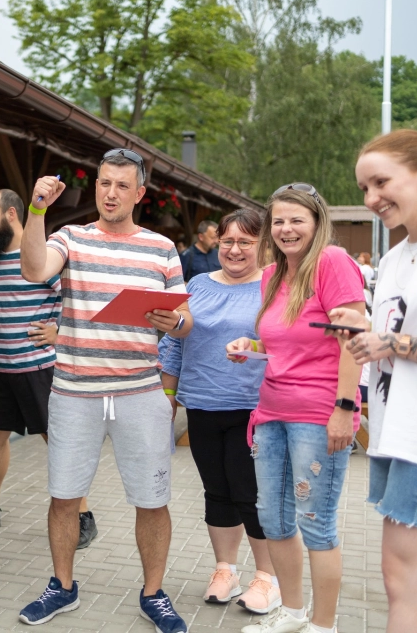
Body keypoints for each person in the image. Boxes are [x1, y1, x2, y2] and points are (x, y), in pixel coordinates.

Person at [17, 150, 192, 632]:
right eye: (103, 183)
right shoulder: (69, 237)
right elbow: (34, 270)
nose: (110, 193)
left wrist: (173, 320)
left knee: (153, 499)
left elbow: (185, 321)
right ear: (95, 186)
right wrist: (36, 211)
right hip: (75, 391)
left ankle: (153, 594)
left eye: (121, 186)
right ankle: (62, 586)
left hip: (140, 391)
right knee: (64, 496)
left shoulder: (161, 248)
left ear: (139, 194)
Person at [328, 130, 417, 633]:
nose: (371, 199)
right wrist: (366, 333)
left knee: (400, 580)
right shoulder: (395, 256)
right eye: (364, 187)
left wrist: (392, 344)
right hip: (396, 432)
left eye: (381, 182)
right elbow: (393, 337)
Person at [226, 183, 365, 633]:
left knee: (315, 523)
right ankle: (291, 613)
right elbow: (284, 339)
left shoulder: (333, 263)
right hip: (271, 413)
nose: (286, 229)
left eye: (296, 220)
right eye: (279, 221)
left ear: (316, 222)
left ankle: (323, 627)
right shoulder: (272, 275)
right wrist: (250, 344)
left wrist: (344, 409)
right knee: (273, 518)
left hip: (319, 415)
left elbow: (352, 342)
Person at [158, 208, 281, 614]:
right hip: (202, 405)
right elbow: (175, 344)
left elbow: (289, 346)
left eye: (245, 242)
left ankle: (267, 578)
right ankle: (224, 570)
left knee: (251, 494)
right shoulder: (197, 284)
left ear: (263, 246)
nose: (234, 249)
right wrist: (168, 398)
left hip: (255, 408)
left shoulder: (275, 286)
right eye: (227, 240)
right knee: (217, 491)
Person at [0, 189, 98, 544]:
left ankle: (84, 516)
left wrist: (60, 330)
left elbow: (75, 299)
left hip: (39, 367)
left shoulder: (41, 256)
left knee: (57, 440)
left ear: (11, 214)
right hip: (0, 366)